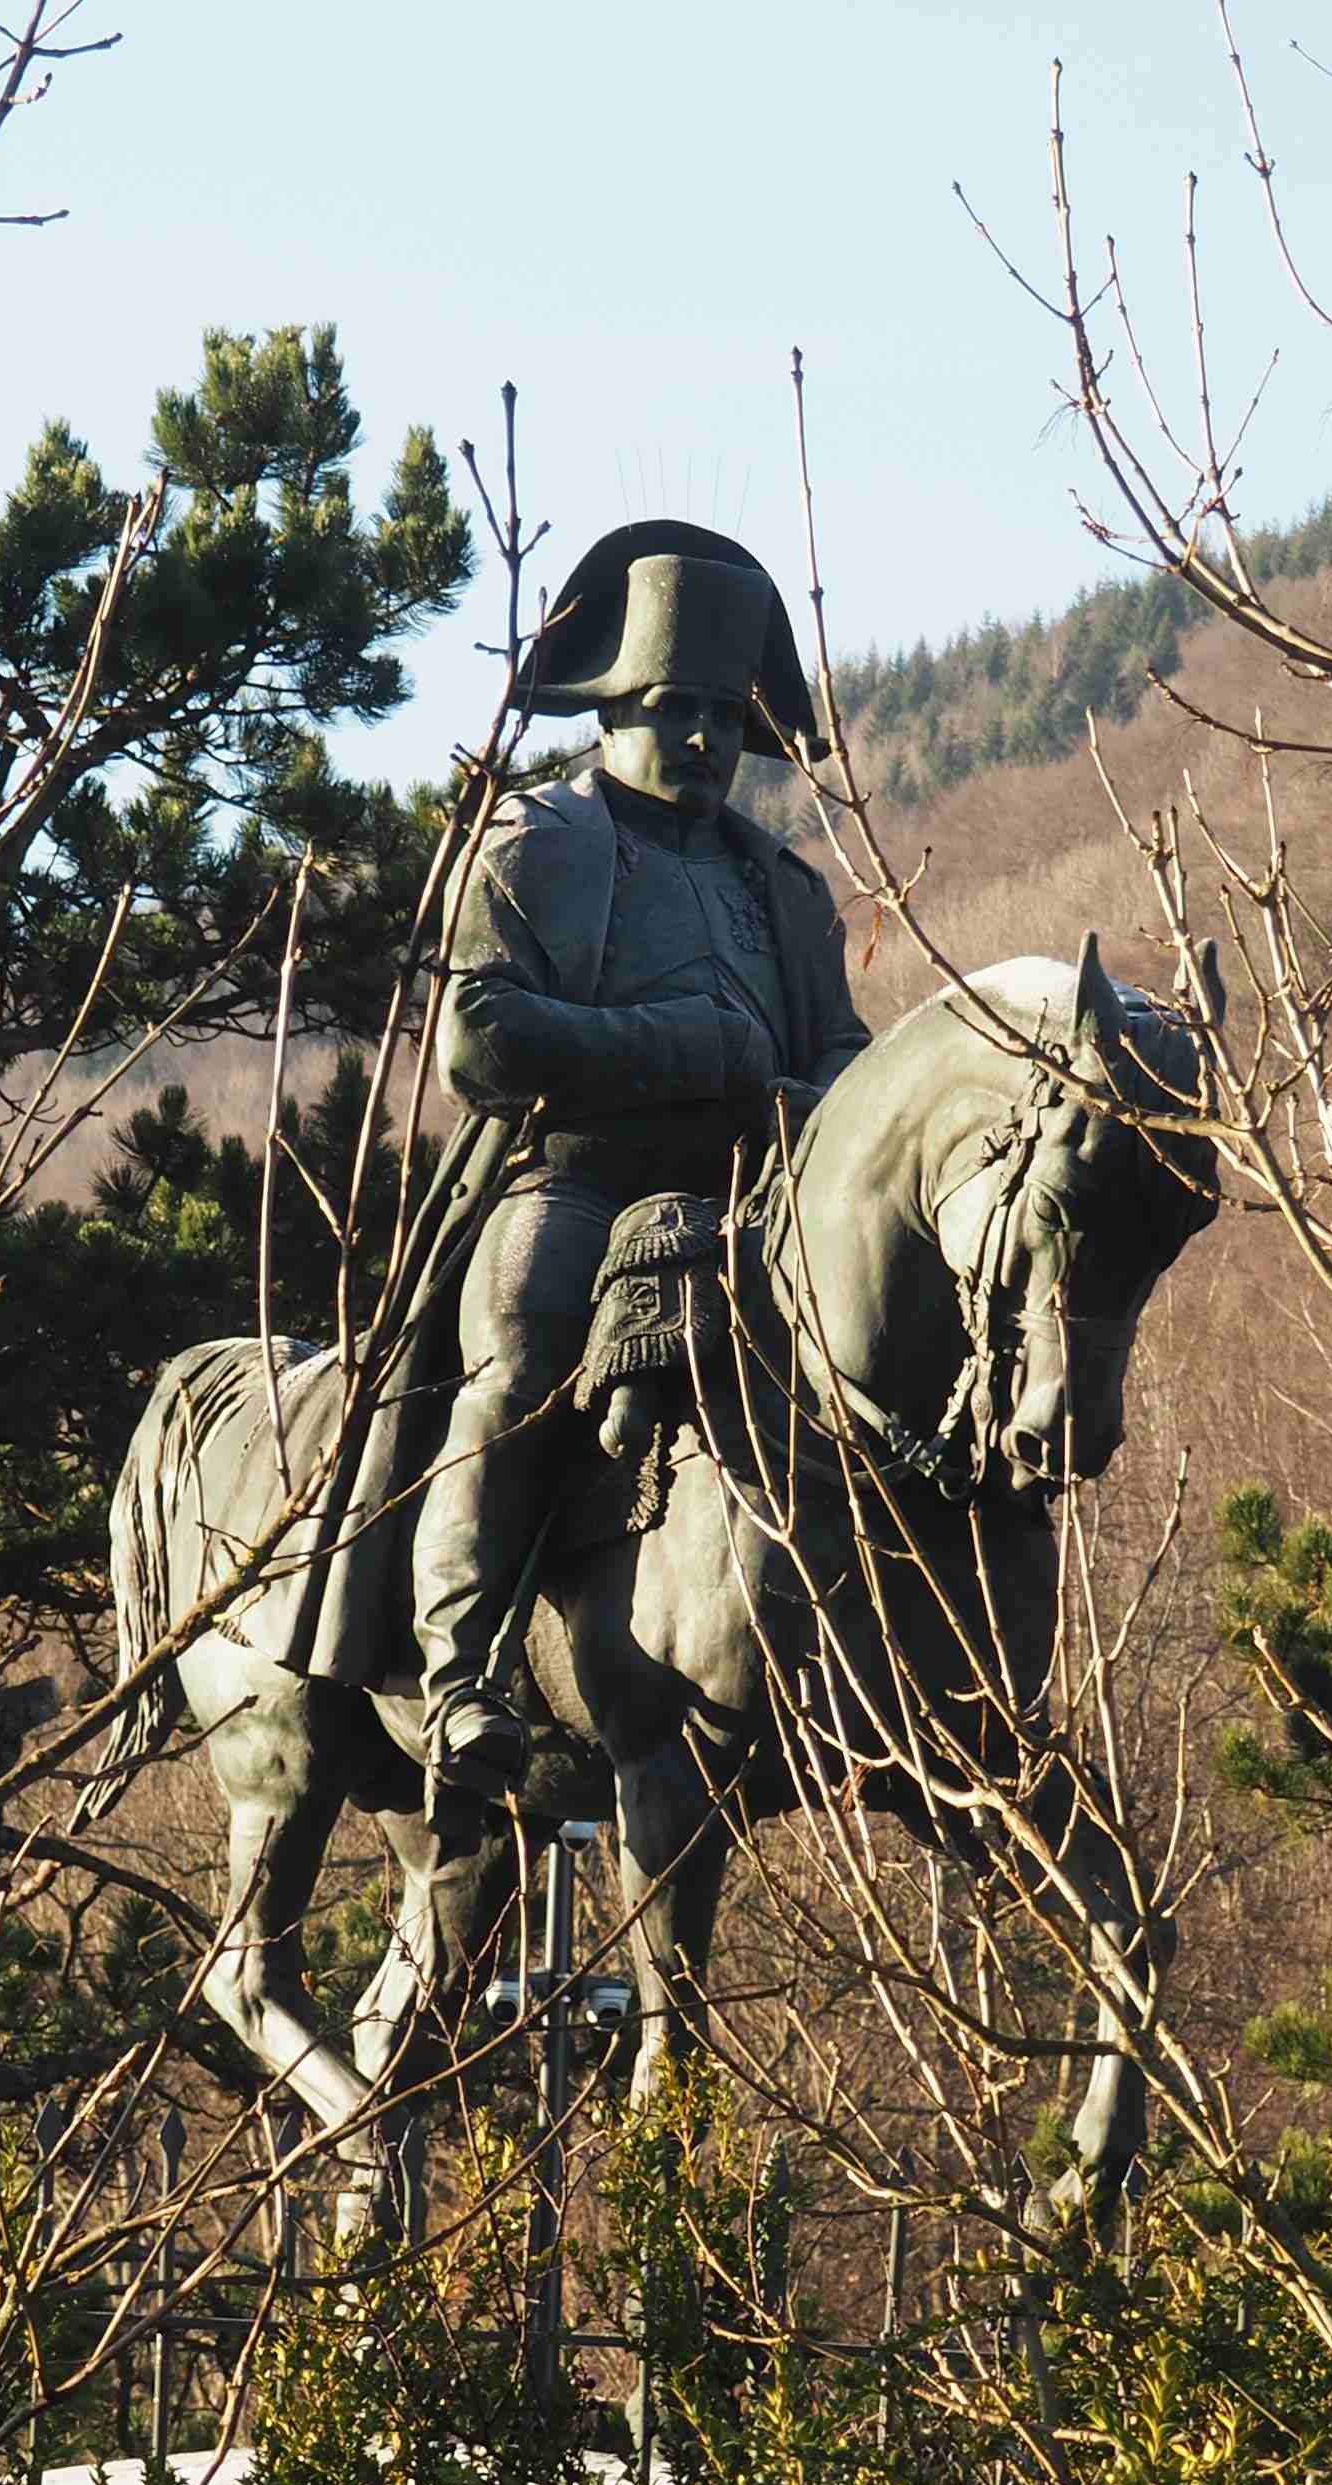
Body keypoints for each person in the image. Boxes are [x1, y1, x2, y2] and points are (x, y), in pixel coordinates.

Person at [405, 520, 869, 1799]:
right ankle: (459, 1674)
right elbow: (477, 1037)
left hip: (748, 1206)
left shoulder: (784, 889)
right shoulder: (538, 842)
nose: (708, 740)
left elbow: (844, 1052)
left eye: (726, 714)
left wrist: (798, 1092)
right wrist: (682, 1044)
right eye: (678, 709)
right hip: (576, 1176)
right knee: (525, 1353)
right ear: (613, 707)